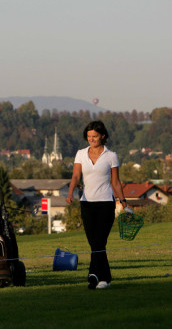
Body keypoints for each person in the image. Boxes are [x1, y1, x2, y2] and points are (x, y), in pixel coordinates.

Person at [66, 120, 127, 289]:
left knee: (99, 241)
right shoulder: (80, 154)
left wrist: (123, 201)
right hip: (87, 203)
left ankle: (93, 275)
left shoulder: (111, 156)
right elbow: (76, 177)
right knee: (94, 243)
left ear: (103, 136)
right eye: (88, 136)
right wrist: (70, 193)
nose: (91, 139)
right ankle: (105, 278)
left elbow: (115, 182)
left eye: (94, 136)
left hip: (106, 203)